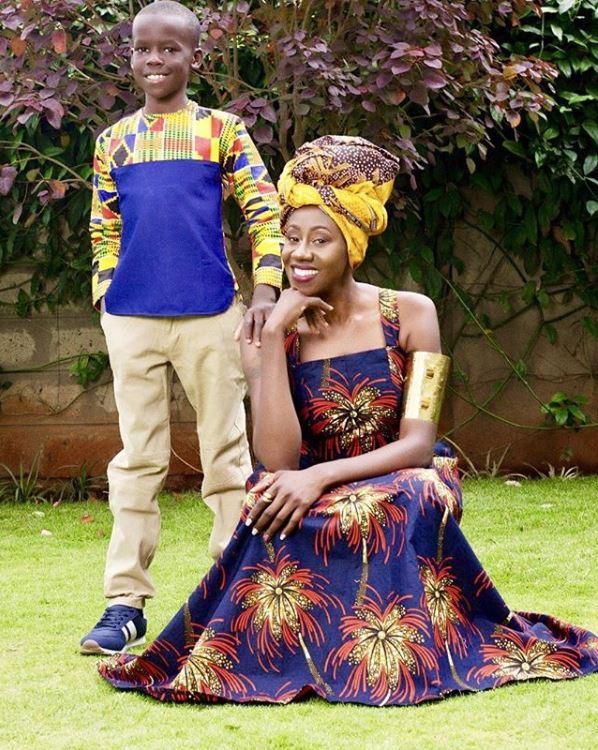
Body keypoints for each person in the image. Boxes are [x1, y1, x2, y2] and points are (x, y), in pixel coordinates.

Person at [97, 136, 597, 705]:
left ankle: (390, 657)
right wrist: (274, 338)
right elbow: (278, 460)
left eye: (320, 240)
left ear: (352, 246)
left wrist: (318, 478)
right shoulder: (262, 333)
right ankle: (301, 653)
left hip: (400, 474)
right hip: (306, 479)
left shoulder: (413, 314)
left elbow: (419, 443)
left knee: (403, 497)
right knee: (271, 503)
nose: (300, 253)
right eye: (291, 238)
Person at [80, 0, 283, 655]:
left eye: (170, 49)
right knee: (137, 460)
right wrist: (106, 296)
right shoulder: (114, 141)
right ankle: (124, 604)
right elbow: (104, 226)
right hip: (131, 320)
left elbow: (264, 209)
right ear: (131, 56)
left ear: (195, 57)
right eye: (143, 49)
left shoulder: (222, 131)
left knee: (226, 454)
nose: (155, 60)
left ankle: (232, 593)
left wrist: (267, 289)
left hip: (211, 315)